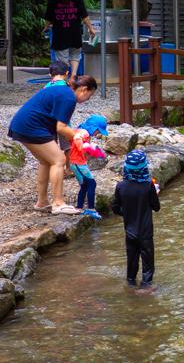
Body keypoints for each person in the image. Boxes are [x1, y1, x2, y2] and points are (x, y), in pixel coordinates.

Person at [7, 74, 98, 214]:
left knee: (46, 161)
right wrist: (79, 136)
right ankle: (58, 203)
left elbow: (59, 126)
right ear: (84, 89)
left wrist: (73, 136)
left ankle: (42, 202)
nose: (88, 100)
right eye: (90, 96)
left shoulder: (63, 90)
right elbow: (61, 127)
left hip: (21, 124)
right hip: (31, 127)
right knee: (59, 160)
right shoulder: (69, 98)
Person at [111, 150, 161, 287]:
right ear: (144, 168)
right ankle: (146, 286)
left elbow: (115, 208)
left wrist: (126, 213)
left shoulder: (120, 186)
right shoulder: (148, 185)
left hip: (130, 232)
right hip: (145, 233)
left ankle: (131, 285)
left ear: (126, 168)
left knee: (132, 260)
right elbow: (156, 207)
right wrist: (155, 193)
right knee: (148, 262)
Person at [43, 0, 96, 75]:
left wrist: (46, 27)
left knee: (62, 60)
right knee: (75, 56)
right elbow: (84, 16)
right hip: (75, 33)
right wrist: (91, 28)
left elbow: (49, 17)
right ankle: (73, 75)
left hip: (60, 34)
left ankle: (64, 79)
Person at [69, 114, 109, 219]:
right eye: (98, 131)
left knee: (85, 185)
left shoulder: (82, 130)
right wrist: (86, 146)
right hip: (77, 163)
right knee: (92, 183)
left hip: (77, 163)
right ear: (94, 128)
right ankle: (91, 209)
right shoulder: (84, 133)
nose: (98, 134)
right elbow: (77, 138)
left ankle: (79, 207)